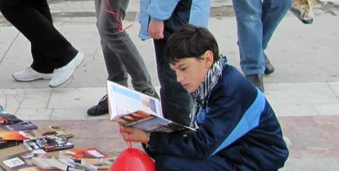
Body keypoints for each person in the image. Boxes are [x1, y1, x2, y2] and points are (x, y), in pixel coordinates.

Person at [119, 24, 289, 171]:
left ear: (207, 59)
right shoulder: (212, 81)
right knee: (165, 154)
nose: (179, 78)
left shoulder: (231, 90)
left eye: (183, 68)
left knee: (170, 164)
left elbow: (203, 145)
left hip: (254, 160)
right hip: (233, 151)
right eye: (175, 71)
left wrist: (149, 137)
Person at [138, 0, 219, 126]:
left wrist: (157, 16)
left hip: (173, 17)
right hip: (189, 13)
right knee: (190, 76)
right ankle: (190, 127)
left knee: (175, 79)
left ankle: (179, 133)